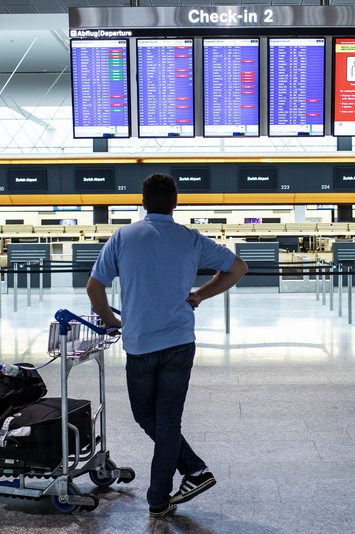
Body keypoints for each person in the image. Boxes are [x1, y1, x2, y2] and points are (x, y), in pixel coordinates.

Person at [86, 173, 248, 518]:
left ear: (142, 202)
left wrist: (112, 321)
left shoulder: (124, 236)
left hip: (140, 342)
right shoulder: (190, 239)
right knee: (167, 420)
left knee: (147, 415)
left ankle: (166, 492)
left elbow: (94, 288)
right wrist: (199, 295)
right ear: (176, 203)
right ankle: (189, 473)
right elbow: (237, 268)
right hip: (179, 341)